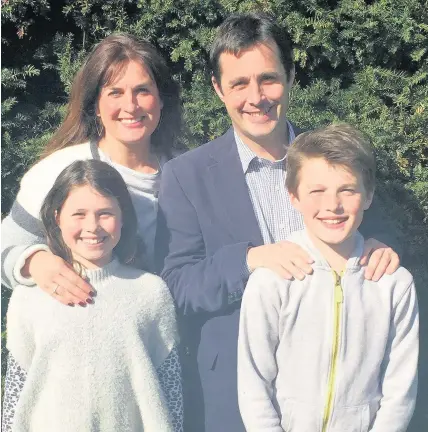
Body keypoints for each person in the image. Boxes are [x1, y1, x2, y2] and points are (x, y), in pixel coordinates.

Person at [155, 12, 401, 432]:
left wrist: (378, 247)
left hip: (339, 396)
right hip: (231, 394)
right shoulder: (186, 176)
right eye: (238, 84)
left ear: (290, 75)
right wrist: (249, 260)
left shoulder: (337, 159)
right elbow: (177, 286)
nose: (256, 97)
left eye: (268, 78)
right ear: (218, 89)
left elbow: (364, 228)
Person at [237, 124, 419, 431]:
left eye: (347, 190)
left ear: (369, 195)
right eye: (316, 191)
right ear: (293, 197)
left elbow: (400, 388)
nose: (332, 205)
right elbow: (254, 384)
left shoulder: (394, 284)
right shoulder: (272, 280)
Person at [1, 32, 182, 305]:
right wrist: (36, 263)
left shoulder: (190, 169)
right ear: (96, 105)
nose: (130, 106)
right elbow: (6, 247)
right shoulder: (57, 171)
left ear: (161, 99)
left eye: (142, 91)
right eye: (115, 93)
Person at [2, 160, 183, 432]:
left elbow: (170, 387)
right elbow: (16, 389)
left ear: (123, 218)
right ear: (56, 217)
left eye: (105, 213)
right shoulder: (29, 298)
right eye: (79, 214)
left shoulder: (151, 292)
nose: (93, 226)